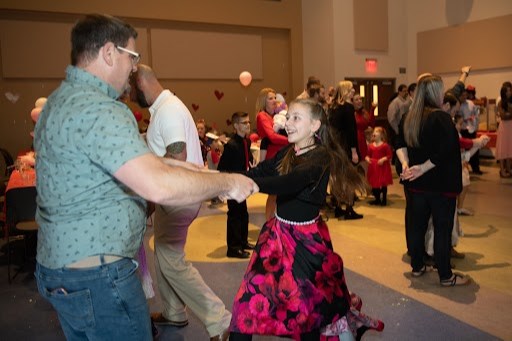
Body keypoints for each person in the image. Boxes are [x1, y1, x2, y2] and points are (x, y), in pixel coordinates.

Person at [33, 14, 257, 340]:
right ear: (109, 53)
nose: (132, 68)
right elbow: (157, 185)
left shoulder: (60, 101)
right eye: (131, 57)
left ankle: (176, 311)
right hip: (99, 274)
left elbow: (137, 161)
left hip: (64, 266)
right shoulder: (101, 109)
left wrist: (185, 168)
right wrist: (228, 182)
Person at [229, 98, 384, 340]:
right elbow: (259, 171)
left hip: (305, 245)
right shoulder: (288, 153)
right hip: (275, 239)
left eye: (296, 118)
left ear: (314, 126)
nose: (288, 123)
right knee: (246, 307)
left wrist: (247, 185)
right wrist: (221, 178)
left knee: (307, 315)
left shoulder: (320, 156)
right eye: (287, 117)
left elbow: (290, 182)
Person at [130, 64, 232, 340]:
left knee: (171, 260)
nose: (129, 96)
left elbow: (178, 156)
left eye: (130, 90)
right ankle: (174, 312)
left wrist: (150, 185)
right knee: (165, 256)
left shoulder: (170, 110)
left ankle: (220, 320)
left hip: (178, 196)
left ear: (139, 83)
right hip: (171, 195)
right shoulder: (164, 109)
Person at [397, 74, 470, 287]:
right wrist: (419, 168)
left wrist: (406, 165)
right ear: (434, 92)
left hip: (417, 187)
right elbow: (446, 152)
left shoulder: (408, 116)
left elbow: (400, 145)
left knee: (416, 227)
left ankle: (418, 266)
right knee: (442, 229)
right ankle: (445, 276)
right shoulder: (441, 118)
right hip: (440, 186)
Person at [217, 112, 256, 259]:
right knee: (234, 215)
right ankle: (233, 248)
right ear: (236, 126)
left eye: (248, 122)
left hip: (243, 183)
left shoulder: (246, 142)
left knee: (243, 213)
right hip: (232, 185)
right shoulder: (231, 145)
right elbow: (222, 167)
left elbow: (248, 160)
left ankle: (243, 241)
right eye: (244, 123)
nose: (248, 125)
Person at [328, 80, 363, 220]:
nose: (353, 90)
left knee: (336, 178)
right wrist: (354, 151)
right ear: (346, 91)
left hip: (334, 147)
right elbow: (351, 131)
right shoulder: (348, 107)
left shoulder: (333, 107)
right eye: (351, 89)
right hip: (345, 147)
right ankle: (349, 208)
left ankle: (337, 207)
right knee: (349, 179)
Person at [256, 88, 289, 221]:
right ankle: (269, 223)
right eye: (270, 98)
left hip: (281, 156)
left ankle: (275, 222)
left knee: (279, 194)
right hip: (272, 157)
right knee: (274, 194)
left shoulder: (275, 115)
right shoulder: (262, 116)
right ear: (264, 101)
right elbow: (272, 137)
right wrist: (291, 141)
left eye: (275, 97)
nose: (274, 100)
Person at [365, 127, 393, 206]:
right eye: (374, 131)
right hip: (373, 166)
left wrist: (383, 159)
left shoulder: (385, 145)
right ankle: (377, 199)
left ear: (381, 135)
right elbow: (368, 155)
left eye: (376, 132)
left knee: (383, 183)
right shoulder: (370, 146)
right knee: (374, 184)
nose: (374, 133)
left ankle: (384, 199)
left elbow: (389, 155)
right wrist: (367, 158)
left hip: (382, 166)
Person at [459, 88, 482, 174]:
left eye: (466, 95)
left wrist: (474, 120)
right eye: (463, 95)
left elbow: (476, 114)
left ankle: (476, 168)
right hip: (462, 129)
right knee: (464, 150)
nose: (465, 97)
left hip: (471, 129)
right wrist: (465, 119)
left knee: (475, 149)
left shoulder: (470, 103)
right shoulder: (458, 104)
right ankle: (464, 168)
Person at [353, 93, 376, 171]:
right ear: (352, 102)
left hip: (365, 140)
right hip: (357, 140)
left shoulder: (364, 112)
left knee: (367, 165)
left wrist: (372, 109)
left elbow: (371, 123)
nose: (359, 101)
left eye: (360, 99)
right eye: (357, 99)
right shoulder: (352, 113)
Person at [496, 82, 512, 178]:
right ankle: (502, 171)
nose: (509, 92)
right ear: (503, 92)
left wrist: (508, 113)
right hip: (504, 127)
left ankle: (509, 169)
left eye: (510, 90)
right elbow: (503, 116)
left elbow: (507, 115)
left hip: (510, 127)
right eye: (507, 91)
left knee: (509, 148)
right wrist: (509, 113)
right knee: (502, 149)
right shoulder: (500, 102)